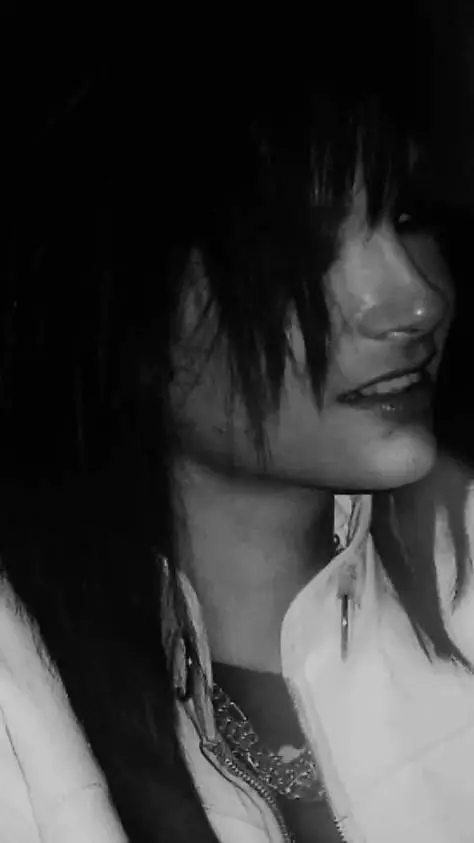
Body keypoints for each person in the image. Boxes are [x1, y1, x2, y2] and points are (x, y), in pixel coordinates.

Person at [1, 14, 474, 843]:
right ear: (119, 291)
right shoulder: (23, 710)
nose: (417, 301)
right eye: (300, 244)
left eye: (405, 215)